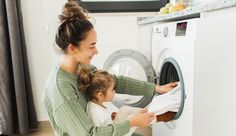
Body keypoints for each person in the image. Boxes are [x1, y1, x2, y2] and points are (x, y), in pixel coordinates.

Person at [42, 0, 178, 136]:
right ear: (72, 49)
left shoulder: (82, 68)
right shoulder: (61, 90)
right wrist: (130, 123)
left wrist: (156, 88)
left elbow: (115, 82)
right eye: (91, 46)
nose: (96, 51)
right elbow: (89, 134)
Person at [78, 67, 142, 136]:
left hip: (112, 129)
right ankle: (150, 117)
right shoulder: (95, 113)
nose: (114, 91)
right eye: (112, 90)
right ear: (100, 95)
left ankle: (149, 114)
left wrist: (110, 118)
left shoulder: (95, 105)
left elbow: (104, 122)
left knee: (124, 109)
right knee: (132, 119)